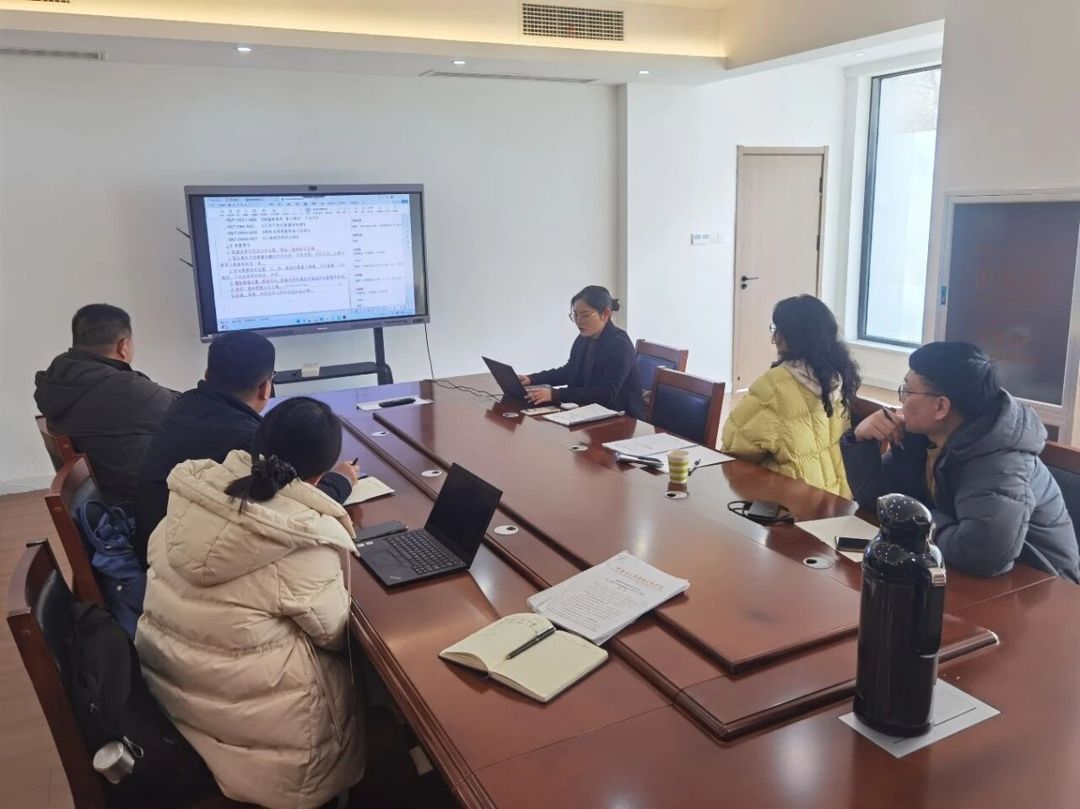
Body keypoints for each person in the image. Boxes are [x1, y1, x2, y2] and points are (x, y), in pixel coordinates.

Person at [135, 396, 365, 809]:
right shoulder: (300, 538)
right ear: (320, 475)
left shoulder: (191, 497)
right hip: (267, 747)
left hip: (173, 696)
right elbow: (337, 636)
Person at [842, 341, 1079, 582]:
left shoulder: (999, 460)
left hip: (1041, 585)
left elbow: (982, 554)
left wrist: (920, 521)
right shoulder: (923, 437)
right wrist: (861, 439)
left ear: (941, 407)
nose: (902, 400)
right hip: (963, 570)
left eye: (908, 391)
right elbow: (879, 501)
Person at [133, 331, 358, 566]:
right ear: (265, 387)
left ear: (207, 374)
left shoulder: (183, 405)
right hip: (179, 558)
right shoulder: (249, 440)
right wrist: (342, 480)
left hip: (155, 544)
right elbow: (294, 510)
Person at [35, 304, 176, 503]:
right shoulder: (126, 389)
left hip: (104, 498)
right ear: (123, 346)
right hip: (141, 504)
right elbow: (185, 412)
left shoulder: (57, 378)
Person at [722, 295, 858, 496]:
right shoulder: (839, 377)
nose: (774, 338)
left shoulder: (775, 385)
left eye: (777, 330)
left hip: (794, 502)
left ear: (788, 337)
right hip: (839, 498)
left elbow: (734, 444)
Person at [519, 285, 645, 419]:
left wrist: (555, 394)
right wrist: (532, 379)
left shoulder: (620, 344)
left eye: (585, 315)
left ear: (605, 314)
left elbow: (606, 393)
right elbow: (570, 371)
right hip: (589, 411)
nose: (578, 321)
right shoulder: (584, 338)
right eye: (575, 315)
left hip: (622, 419)